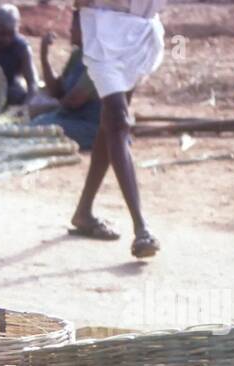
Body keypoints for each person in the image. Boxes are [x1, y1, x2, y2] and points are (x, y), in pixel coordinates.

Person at [67, 0, 166, 259]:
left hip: (140, 32)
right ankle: (141, 228)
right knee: (119, 122)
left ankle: (83, 212)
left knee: (111, 124)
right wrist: (76, 17)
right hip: (103, 29)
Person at [30, 10, 101, 151]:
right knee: (38, 122)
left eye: (74, 26)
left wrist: (48, 107)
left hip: (89, 125)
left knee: (37, 127)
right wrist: (44, 56)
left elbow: (74, 100)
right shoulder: (77, 55)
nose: (70, 30)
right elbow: (57, 91)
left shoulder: (97, 58)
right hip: (71, 118)